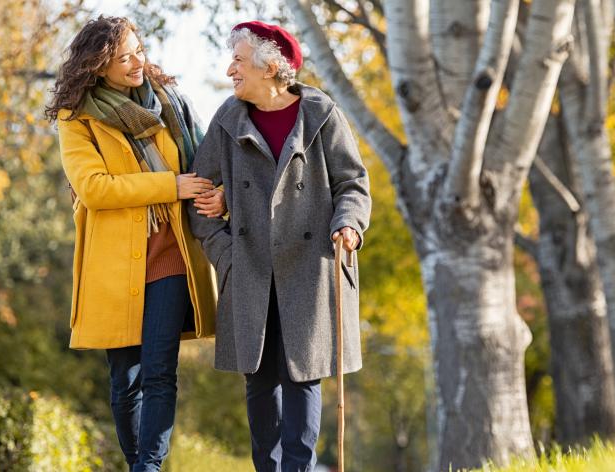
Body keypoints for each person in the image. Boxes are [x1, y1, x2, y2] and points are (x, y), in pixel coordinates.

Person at [188, 21, 372, 472]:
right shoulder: (227, 120)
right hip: (250, 270)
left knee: (302, 378)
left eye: (238, 60)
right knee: (259, 383)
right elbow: (197, 196)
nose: (229, 70)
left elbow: (352, 183)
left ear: (270, 67)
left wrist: (348, 224)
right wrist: (226, 256)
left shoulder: (321, 114)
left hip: (310, 269)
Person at [45, 15, 223, 471]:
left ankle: (149, 466)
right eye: (124, 57)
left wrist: (217, 193)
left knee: (160, 371)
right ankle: (137, 464)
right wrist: (170, 186)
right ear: (98, 65)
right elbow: (94, 188)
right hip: (114, 264)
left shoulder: (168, 102)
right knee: (125, 381)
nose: (137, 62)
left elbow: (205, 161)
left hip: (172, 253)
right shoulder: (77, 119)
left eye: (139, 51)